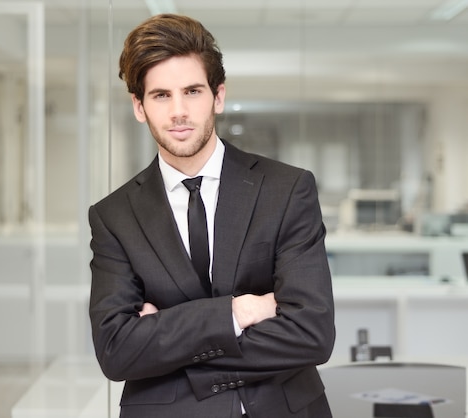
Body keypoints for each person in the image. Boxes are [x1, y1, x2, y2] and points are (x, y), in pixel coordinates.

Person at [88, 13, 335, 418]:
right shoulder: (113, 216)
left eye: (192, 91)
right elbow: (117, 352)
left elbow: (313, 333)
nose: (179, 111)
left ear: (218, 96)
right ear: (139, 106)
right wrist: (239, 312)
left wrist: (165, 336)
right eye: (161, 95)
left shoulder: (286, 189)